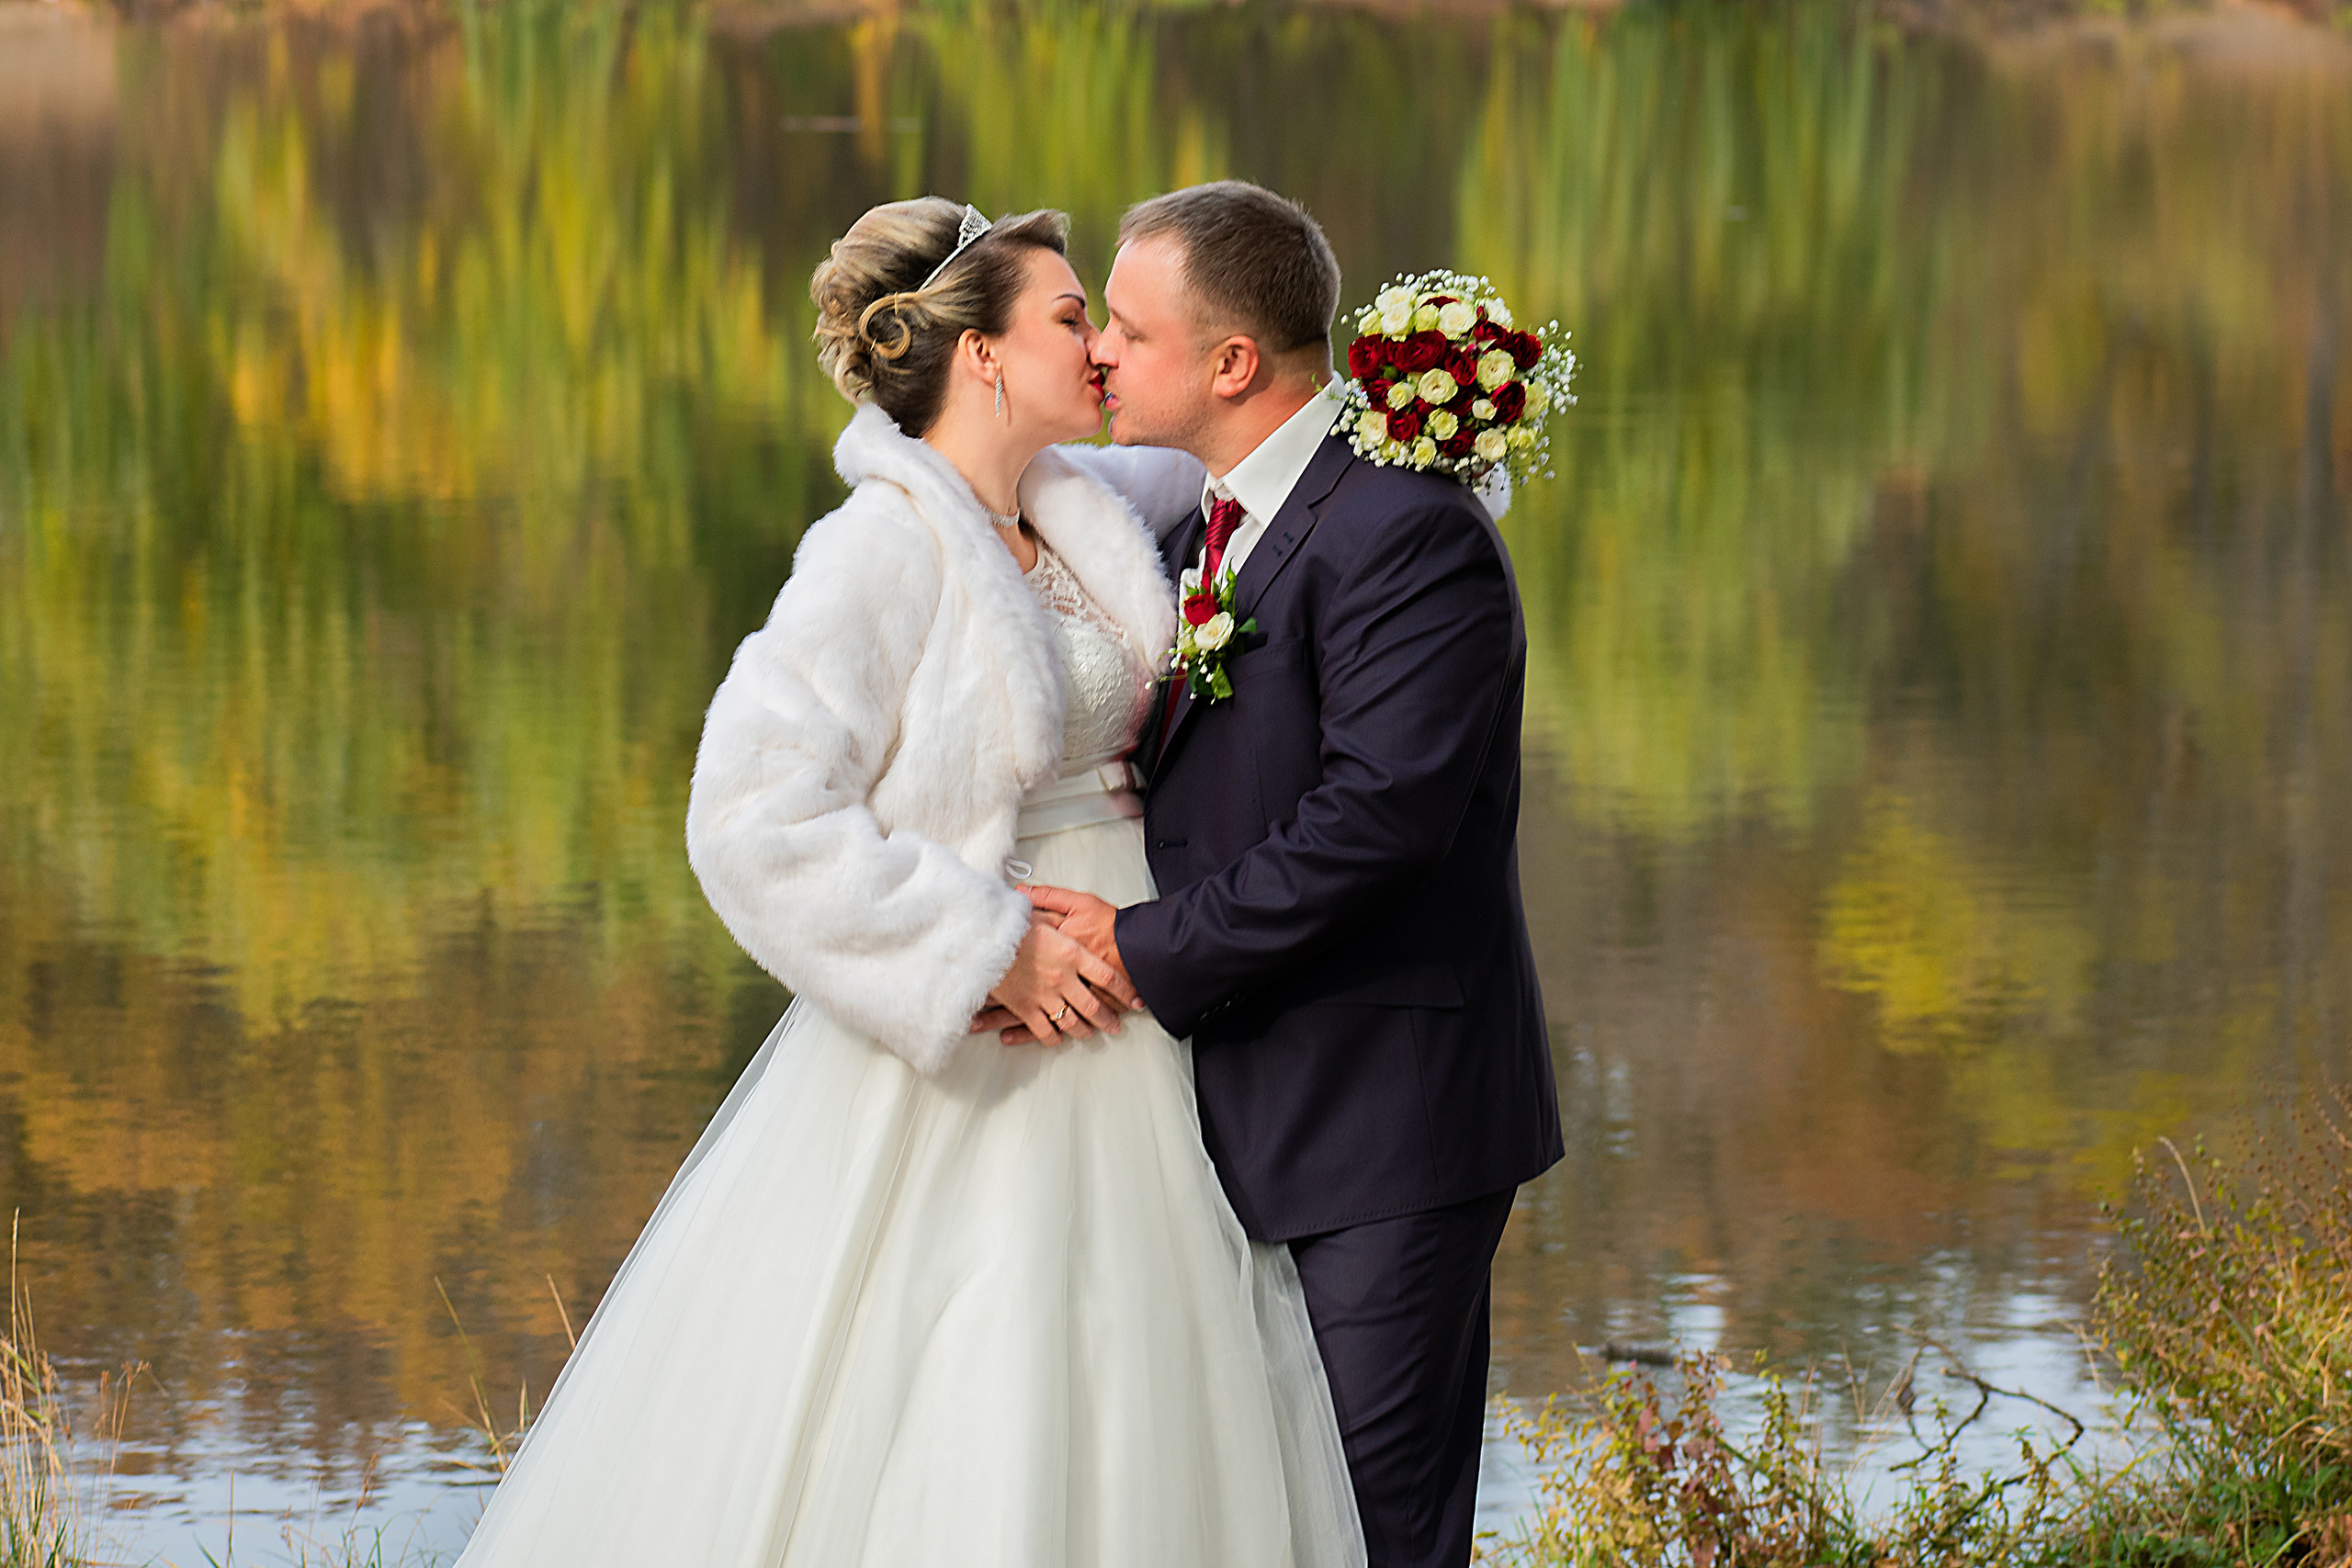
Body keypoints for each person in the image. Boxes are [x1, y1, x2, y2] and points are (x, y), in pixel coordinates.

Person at [449, 197, 1364, 1568]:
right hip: (999, 1010)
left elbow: (1283, 464)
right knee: (984, 1354)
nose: (1108, 350)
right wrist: (982, 948)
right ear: (984, 355)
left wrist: (1438, 400)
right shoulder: (878, 552)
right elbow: (748, 817)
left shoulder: (1093, 508)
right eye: (1076, 320)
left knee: (1159, 1350)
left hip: (1146, 992)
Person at [985, 181, 1566, 1568]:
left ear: (1234, 364)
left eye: (1128, 326)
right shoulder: (1208, 522)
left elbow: (1376, 823)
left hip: (1385, 1125)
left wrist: (1138, 947)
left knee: (1369, 1535)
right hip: (1237, 1114)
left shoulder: (1405, 535)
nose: (1101, 352)